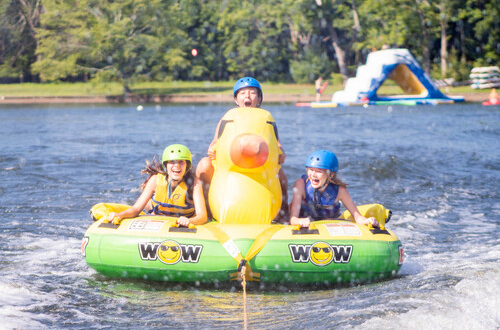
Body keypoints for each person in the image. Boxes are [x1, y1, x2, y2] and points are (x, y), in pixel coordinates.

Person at [196, 77, 289, 221]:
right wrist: (212, 149)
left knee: (281, 174)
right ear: (236, 99)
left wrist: (281, 154)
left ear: (259, 99)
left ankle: (283, 213)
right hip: (231, 167)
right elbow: (215, 143)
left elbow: (277, 144)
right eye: (242, 93)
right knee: (203, 165)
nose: (247, 96)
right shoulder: (228, 118)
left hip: (259, 168)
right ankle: (204, 211)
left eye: (252, 93)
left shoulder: (266, 119)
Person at [107, 144, 207, 227]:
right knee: (146, 203)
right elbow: (136, 209)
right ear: (166, 165)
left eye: (181, 162)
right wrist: (120, 215)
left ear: (187, 166)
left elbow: (202, 216)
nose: (176, 166)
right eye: (172, 162)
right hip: (157, 213)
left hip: (183, 216)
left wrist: (190, 221)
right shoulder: (155, 180)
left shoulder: (194, 183)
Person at [289, 150, 379, 228]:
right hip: (305, 221)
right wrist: (299, 221)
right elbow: (293, 219)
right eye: (311, 169)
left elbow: (358, 218)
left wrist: (367, 221)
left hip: (329, 223)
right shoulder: (301, 184)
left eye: (318, 171)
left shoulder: (340, 190)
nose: (313, 174)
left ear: (331, 175)